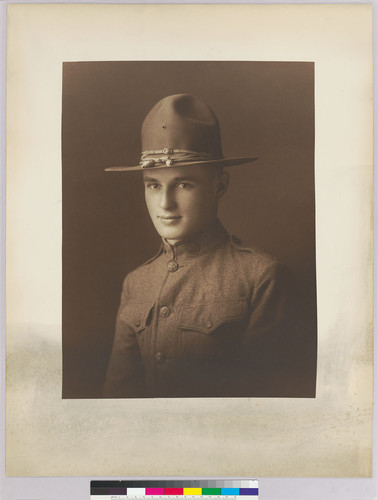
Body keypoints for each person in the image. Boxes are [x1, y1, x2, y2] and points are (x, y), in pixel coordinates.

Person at [103, 93, 314, 398]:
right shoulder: (136, 283)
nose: (165, 203)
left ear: (220, 186)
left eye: (183, 184)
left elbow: (266, 404)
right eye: (153, 185)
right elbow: (116, 400)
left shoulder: (261, 277)